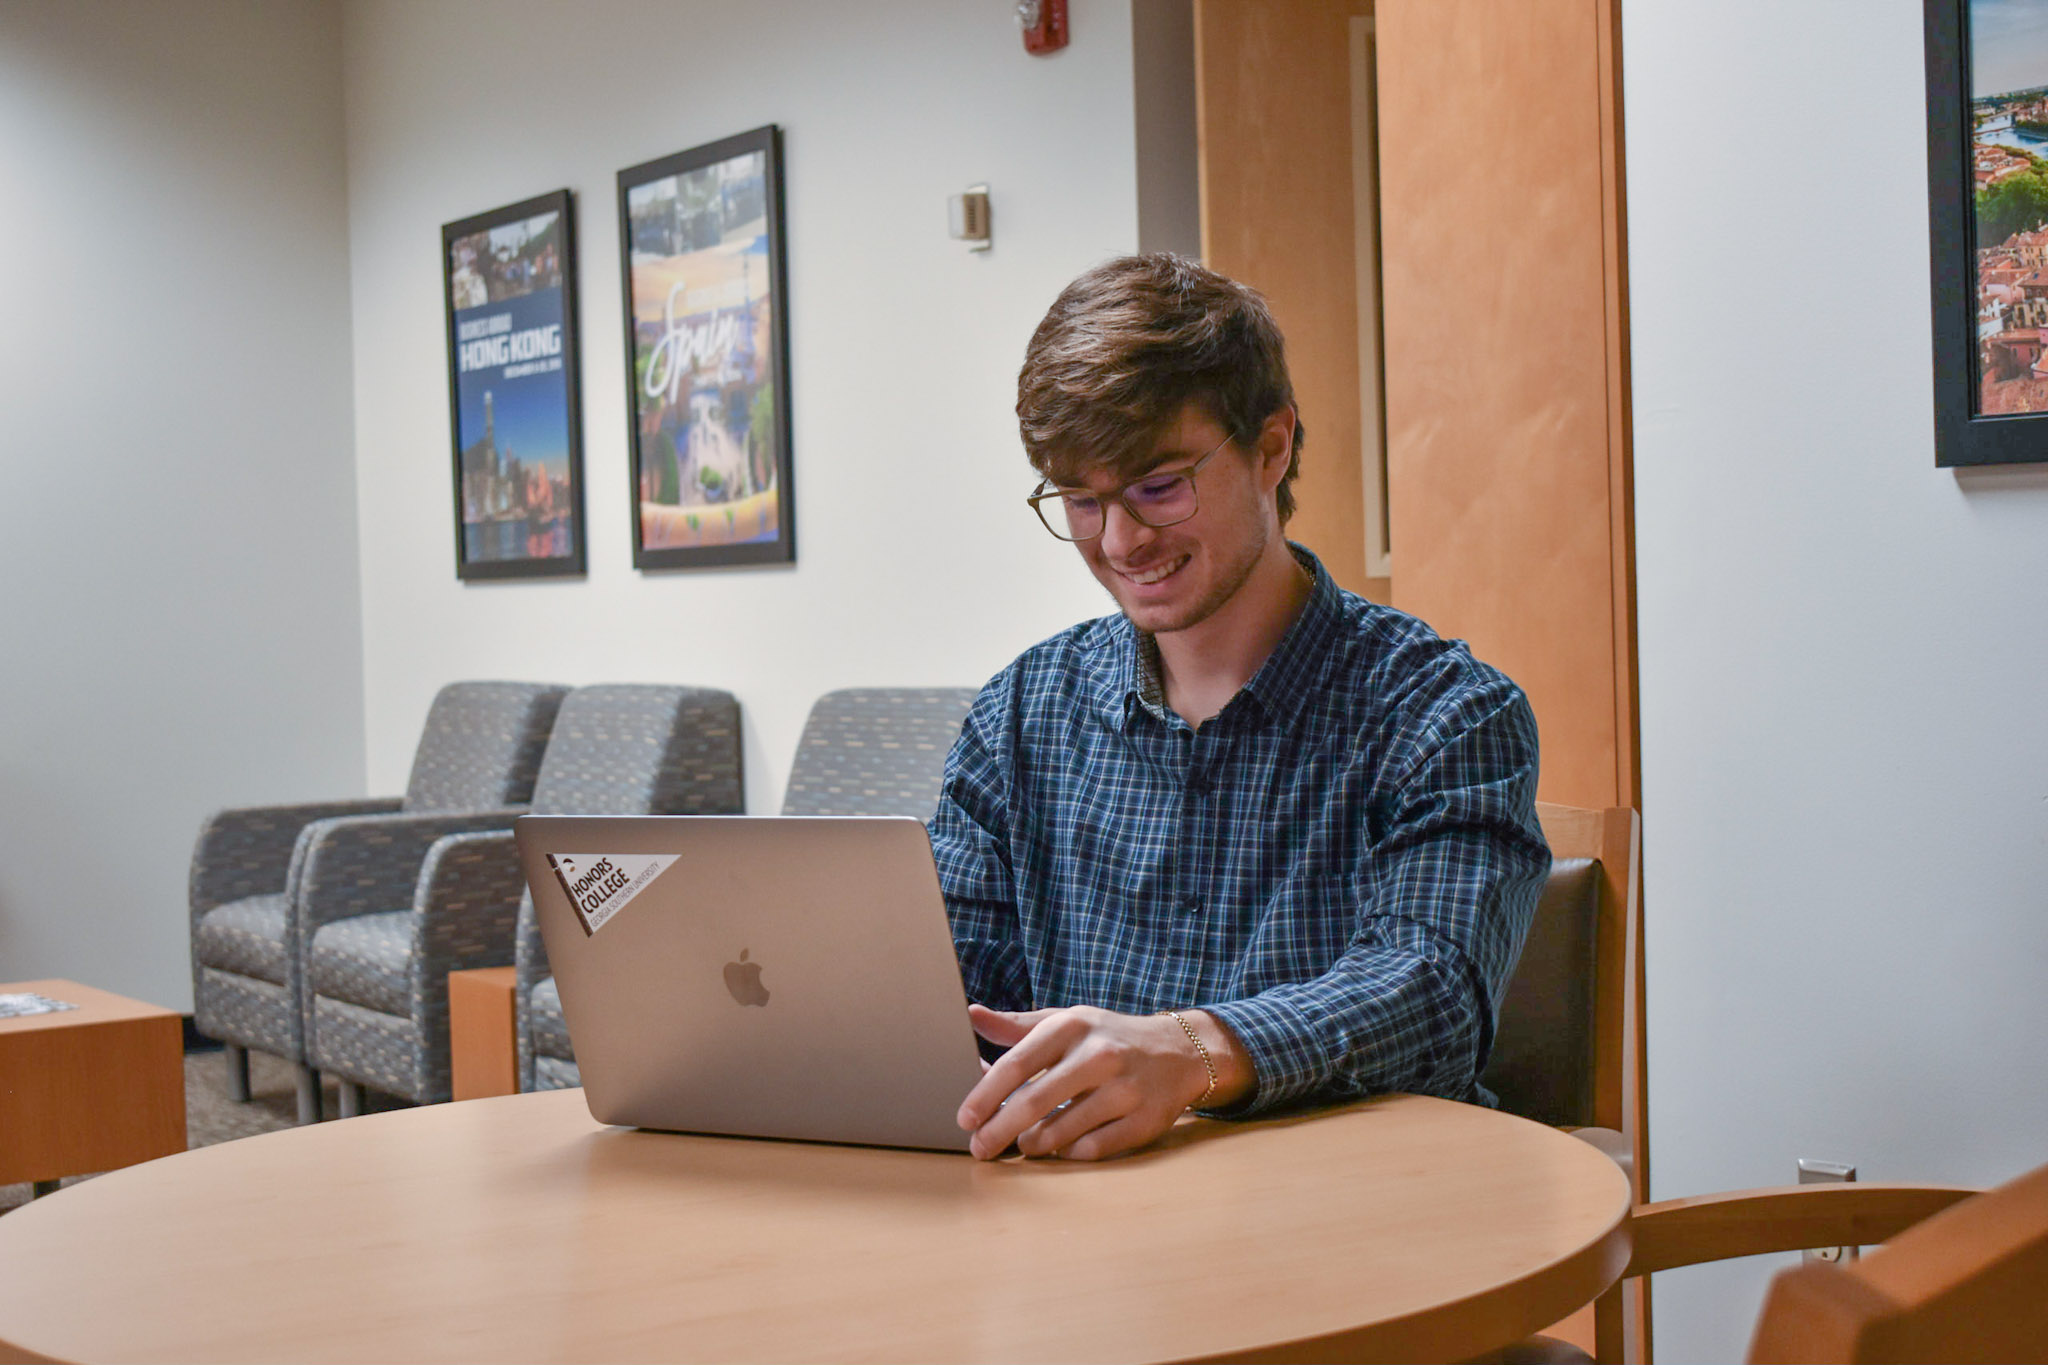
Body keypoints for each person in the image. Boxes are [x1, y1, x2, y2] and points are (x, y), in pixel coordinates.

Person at [931, 253, 1550, 1162]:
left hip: (1352, 1226)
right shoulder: (1022, 715)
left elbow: (1431, 994)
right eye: (1082, 500)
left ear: (1273, 446)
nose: (1121, 540)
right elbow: (946, 993)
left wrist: (1192, 1052)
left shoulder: (1445, 716)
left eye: (1158, 486)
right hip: (1074, 1243)